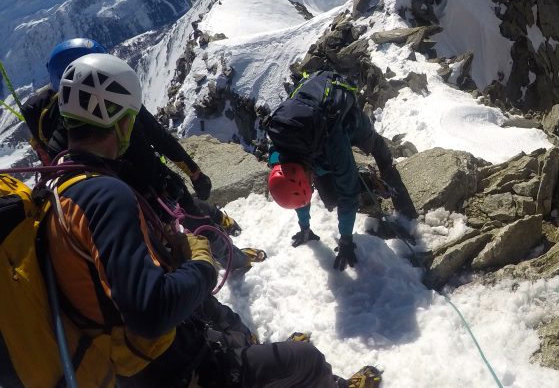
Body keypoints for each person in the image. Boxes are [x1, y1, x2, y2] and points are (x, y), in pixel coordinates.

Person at [44, 52, 343, 387]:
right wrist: (201, 263)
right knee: (309, 362)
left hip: (125, 364)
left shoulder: (55, 187)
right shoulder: (106, 194)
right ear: (122, 122)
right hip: (176, 367)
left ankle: (250, 351)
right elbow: (150, 312)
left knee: (225, 328)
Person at [22, 38, 263, 273]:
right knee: (197, 223)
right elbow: (160, 138)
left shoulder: (60, 122)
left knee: (168, 248)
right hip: (157, 192)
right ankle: (235, 261)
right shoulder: (116, 104)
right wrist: (194, 172)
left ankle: (218, 231)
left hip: (122, 213)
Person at [266, 71, 416, 271]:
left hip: (344, 118)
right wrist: (305, 228)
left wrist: (346, 240)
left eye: (309, 183)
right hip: (316, 133)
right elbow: (296, 189)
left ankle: (387, 167)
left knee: (373, 143)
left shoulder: (333, 146)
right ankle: (362, 175)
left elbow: (348, 195)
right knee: (331, 195)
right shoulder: (279, 158)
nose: (310, 185)